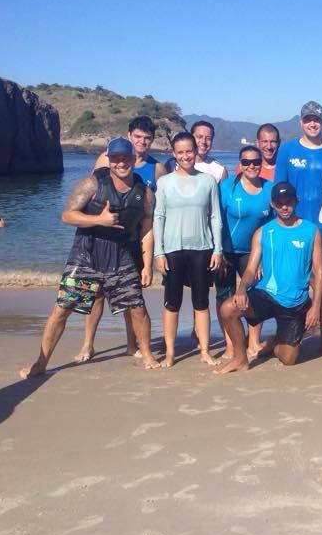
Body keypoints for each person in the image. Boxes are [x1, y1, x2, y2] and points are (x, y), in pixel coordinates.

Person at [19, 138, 159, 378]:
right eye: (115, 158)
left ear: (133, 159)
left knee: (137, 307)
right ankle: (41, 362)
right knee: (62, 309)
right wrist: (98, 220)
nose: (121, 163)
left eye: (125, 158)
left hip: (121, 256)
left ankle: (146, 354)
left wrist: (147, 266)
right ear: (109, 159)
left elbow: (146, 230)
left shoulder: (145, 193)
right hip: (86, 256)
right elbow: (67, 216)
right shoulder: (91, 184)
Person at [76, 115, 168, 362]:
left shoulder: (157, 169)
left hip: (134, 241)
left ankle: (131, 343)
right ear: (129, 136)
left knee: (133, 295)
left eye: (147, 138)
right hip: (101, 238)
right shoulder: (105, 160)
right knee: (96, 293)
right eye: (137, 136)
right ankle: (87, 344)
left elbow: (157, 211)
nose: (142, 142)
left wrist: (152, 255)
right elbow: (93, 194)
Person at [217, 182, 322, 373]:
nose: (284, 207)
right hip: (267, 294)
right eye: (279, 202)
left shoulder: (311, 230)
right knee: (227, 309)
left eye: (288, 202)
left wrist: (315, 306)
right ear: (272, 203)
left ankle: (274, 343)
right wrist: (241, 289)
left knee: (288, 359)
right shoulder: (263, 232)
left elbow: (320, 271)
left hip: (295, 302)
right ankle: (240, 358)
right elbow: (250, 270)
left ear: (296, 201)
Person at [275, 101, 322, 351]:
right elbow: (278, 192)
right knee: (295, 280)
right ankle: (290, 333)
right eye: (308, 119)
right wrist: (281, 226)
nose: (312, 123)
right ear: (301, 122)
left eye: (317, 119)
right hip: (296, 227)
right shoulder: (287, 151)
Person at [154, 132, 224, 368]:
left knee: (201, 302)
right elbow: (158, 217)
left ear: (195, 151)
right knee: (171, 302)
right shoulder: (164, 182)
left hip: (202, 248)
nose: (186, 156)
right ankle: (170, 352)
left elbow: (215, 217)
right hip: (173, 250)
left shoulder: (208, 181)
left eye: (189, 151)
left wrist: (218, 250)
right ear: (174, 154)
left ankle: (204, 350)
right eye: (180, 152)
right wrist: (159, 252)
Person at [216, 145, 273, 360]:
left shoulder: (269, 189)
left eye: (256, 162)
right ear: (240, 164)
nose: (251, 166)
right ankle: (230, 345)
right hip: (226, 252)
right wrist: (217, 251)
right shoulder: (226, 187)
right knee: (224, 297)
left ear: (261, 163)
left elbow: (271, 227)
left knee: (253, 296)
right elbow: (216, 220)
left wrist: (263, 259)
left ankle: (253, 342)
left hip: (252, 253)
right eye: (246, 162)